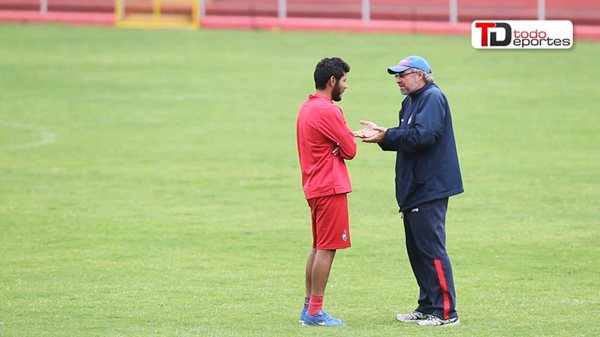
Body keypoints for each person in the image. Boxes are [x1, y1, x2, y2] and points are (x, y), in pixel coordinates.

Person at [354, 55, 463, 327]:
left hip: (430, 187)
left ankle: (446, 312)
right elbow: (408, 138)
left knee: (432, 250)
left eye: (402, 75)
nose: (398, 80)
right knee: (417, 251)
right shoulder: (411, 101)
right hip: (414, 188)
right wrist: (383, 134)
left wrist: (387, 134)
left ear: (420, 75)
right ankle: (427, 305)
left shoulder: (432, 98)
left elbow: (423, 136)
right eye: (396, 76)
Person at [296, 57, 356, 327]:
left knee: (318, 247)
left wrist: (340, 140)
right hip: (330, 186)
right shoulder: (329, 111)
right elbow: (350, 151)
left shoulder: (306, 108)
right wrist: (344, 140)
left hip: (314, 185)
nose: (345, 86)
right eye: (344, 81)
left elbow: (338, 143)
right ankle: (315, 312)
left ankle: (308, 307)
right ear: (332, 81)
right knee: (328, 249)